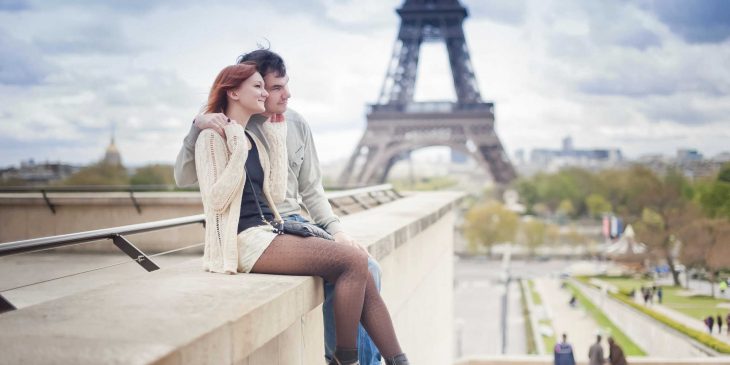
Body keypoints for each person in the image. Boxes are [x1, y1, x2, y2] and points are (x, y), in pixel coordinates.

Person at [188, 62, 408, 365]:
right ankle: (348, 361)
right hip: (241, 240)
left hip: (271, 230)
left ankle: (399, 361)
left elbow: (276, 194)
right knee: (353, 262)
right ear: (234, 92)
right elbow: (215, 200)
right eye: (261, 87)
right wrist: (233, 143)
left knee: (361, 265)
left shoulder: (260, 138)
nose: (268, 94)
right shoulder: (213, 137)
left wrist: (276, 135)